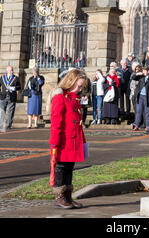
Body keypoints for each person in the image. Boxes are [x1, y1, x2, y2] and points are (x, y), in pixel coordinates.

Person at [49, 69, 89, 209]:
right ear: (70, 82)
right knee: (61, 167)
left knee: (69, 167)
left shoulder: (74, 98)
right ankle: (59, 196)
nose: (80, 89)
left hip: (74, 139)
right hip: (63, 140)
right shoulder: (61, 97)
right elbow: (56, 122)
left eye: (82, 87)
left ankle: (67, 197)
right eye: (78, 86)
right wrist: (54, 142)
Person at [0, 66, 21, 131]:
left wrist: (14, 88)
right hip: (3, 96)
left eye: (12, 70)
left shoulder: (16, 78)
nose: (11, 71)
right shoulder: (2, 78)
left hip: (12, 96)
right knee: (2, 111)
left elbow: (19, 87)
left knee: (11, 111)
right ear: (7, 71)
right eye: (10, 70)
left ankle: (9, 125)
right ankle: (1, 124)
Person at [132, 66, 149, 132]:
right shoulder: (141, 77)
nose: (144, 72)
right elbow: (133, 78)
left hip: (147, 97)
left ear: (148, 71)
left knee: (147, 111)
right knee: (138, 111)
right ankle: (136, 125)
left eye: (145, 71)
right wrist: (138, 74)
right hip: (140, 96)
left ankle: (148, 126)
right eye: (143, 71)